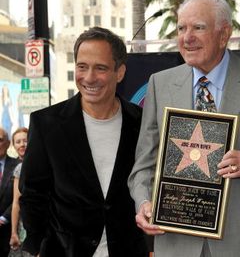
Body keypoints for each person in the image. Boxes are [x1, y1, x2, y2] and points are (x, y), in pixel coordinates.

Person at [128, 0, 240, 257]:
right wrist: (144, 202)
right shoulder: (160, 84)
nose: (187, 37)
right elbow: (144, 165)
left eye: (198, 28)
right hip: (177, 242)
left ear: (223, 34)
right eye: (181, 28)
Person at [19, 27, 148, 257]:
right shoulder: (46, 124)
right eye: (82, 67)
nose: (89, 77)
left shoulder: (143, 123)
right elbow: (33, 194)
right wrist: (38, 245)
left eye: (100, 68)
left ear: (120, 72)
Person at [9, 128, 31, 257]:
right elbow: (16, 203)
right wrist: (14, 232)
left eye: (26, 140)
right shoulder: (19, 168)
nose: (22, 144)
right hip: (24, 229)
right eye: (18, 141)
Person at [0, 127, 19, 257]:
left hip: (7, 233)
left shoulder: (18, 166)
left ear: (8, 143)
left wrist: (3, 218)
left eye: (0, 140)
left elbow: (18, 198)